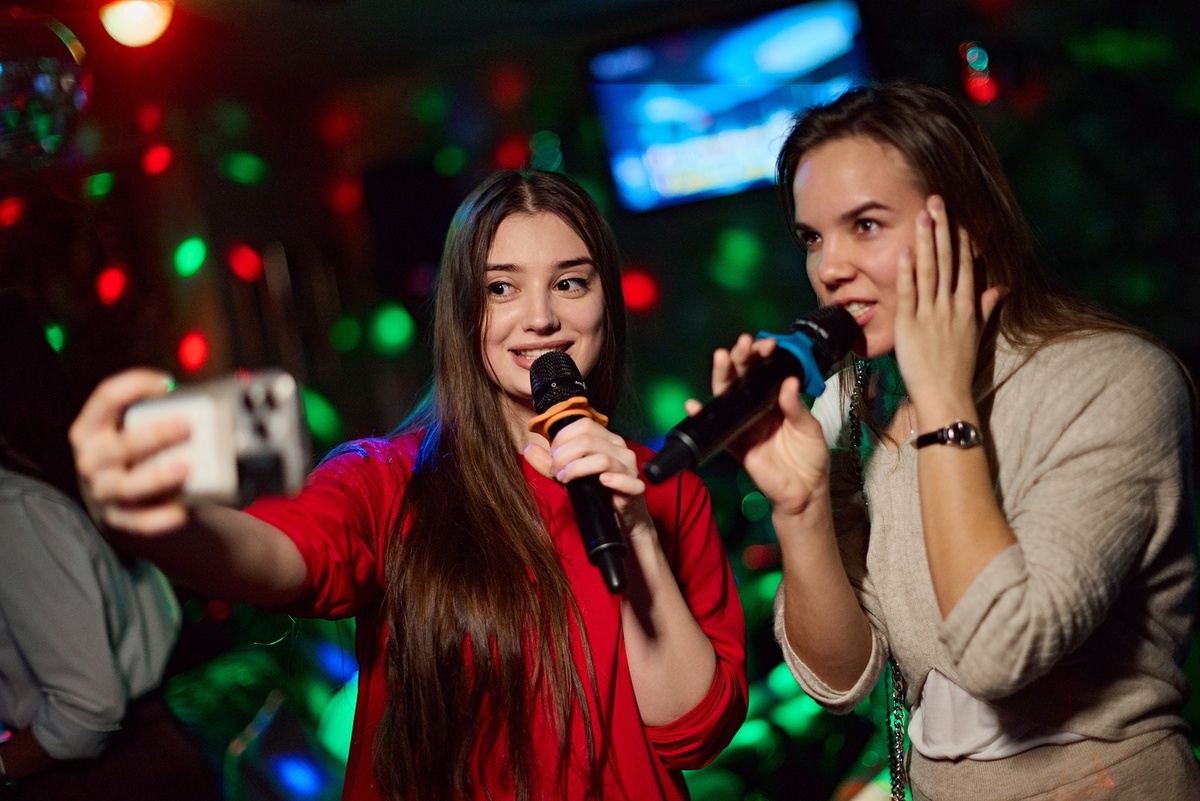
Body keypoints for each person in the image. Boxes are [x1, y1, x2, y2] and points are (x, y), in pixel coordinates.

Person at [69, 169, 748, 801]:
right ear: (464, 314)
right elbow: (284, 558)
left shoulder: (663, 487)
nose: (540, 317)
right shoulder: (388, 478)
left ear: (607, 302)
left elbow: (693, 731)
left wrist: (635, 533)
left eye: (570, 282)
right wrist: (157, 519)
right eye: (501, 287)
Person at [702, 81, 1199, 800]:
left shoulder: (1115, 380)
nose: (828, 266)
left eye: (865, 224)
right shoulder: (855, 400)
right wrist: (800, 506)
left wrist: (941, 401)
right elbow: (839, 681)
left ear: (968, 225)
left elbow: (1000, 653)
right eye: (812, 237)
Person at [0, 291, 219, 800]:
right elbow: (163, 611)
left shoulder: (15, 506)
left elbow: (87, 709)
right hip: (163, 749)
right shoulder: (62, 474)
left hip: (105, 780)